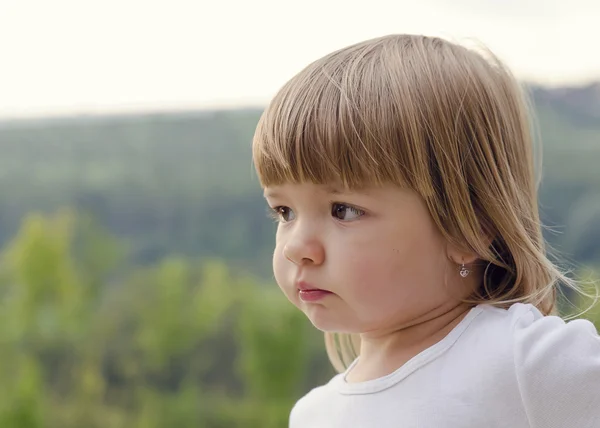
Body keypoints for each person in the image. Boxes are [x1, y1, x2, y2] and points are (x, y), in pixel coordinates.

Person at [251, 34, 600, 427]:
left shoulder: (529, 361)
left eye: (344, 211)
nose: (297, 247)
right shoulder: (313, 415)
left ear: (468, 230)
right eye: (284, 211)